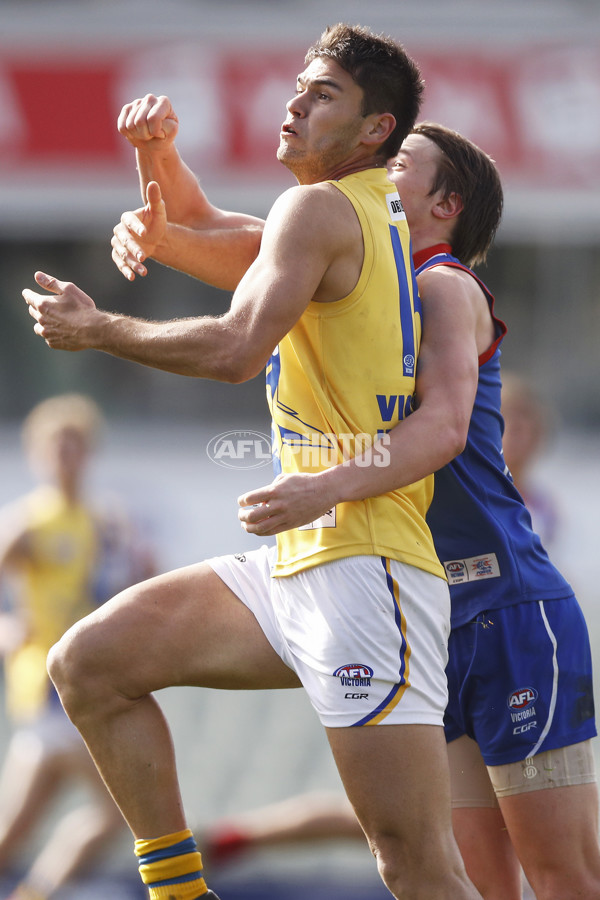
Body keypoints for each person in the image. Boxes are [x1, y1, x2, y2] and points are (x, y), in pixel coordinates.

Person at [21, 25, 483, 900]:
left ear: (375, 130)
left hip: (366, 568)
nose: (295, 103)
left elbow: (237, 347)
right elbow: (199, 227)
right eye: (299, 87)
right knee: (92, 662)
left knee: (416, 861)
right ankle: (181, 893)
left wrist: (98, 330)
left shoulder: (323, 211)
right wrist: (156, 154)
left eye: (323, 95)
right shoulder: (343, 216)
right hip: (303, 561)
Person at [110, 101, 600, 900]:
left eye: (400, 163)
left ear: (446, 208)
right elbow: (206, 225)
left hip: (506, 606)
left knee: (564, 878)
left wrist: (322, 487)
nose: (379, 172)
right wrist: (158, 158)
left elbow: (441, 428)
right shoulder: (349, 269)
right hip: (428, 608)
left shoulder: (441, 286)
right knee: (474, 879)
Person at [0, 393, 156, 900]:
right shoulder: (28, 522)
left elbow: (147, 581)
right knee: (117, 813)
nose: (66, 455)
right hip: (49, 689)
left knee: (23, 832)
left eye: (75, 445)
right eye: (56, 445)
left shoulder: (108, 523)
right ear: (36, 454)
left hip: (79, 692)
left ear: (89, 453)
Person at [500, 372, 560, 549]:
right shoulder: (469, 495)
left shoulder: (545, 504)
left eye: (524, 416)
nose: (515, 426)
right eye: (504, 414)